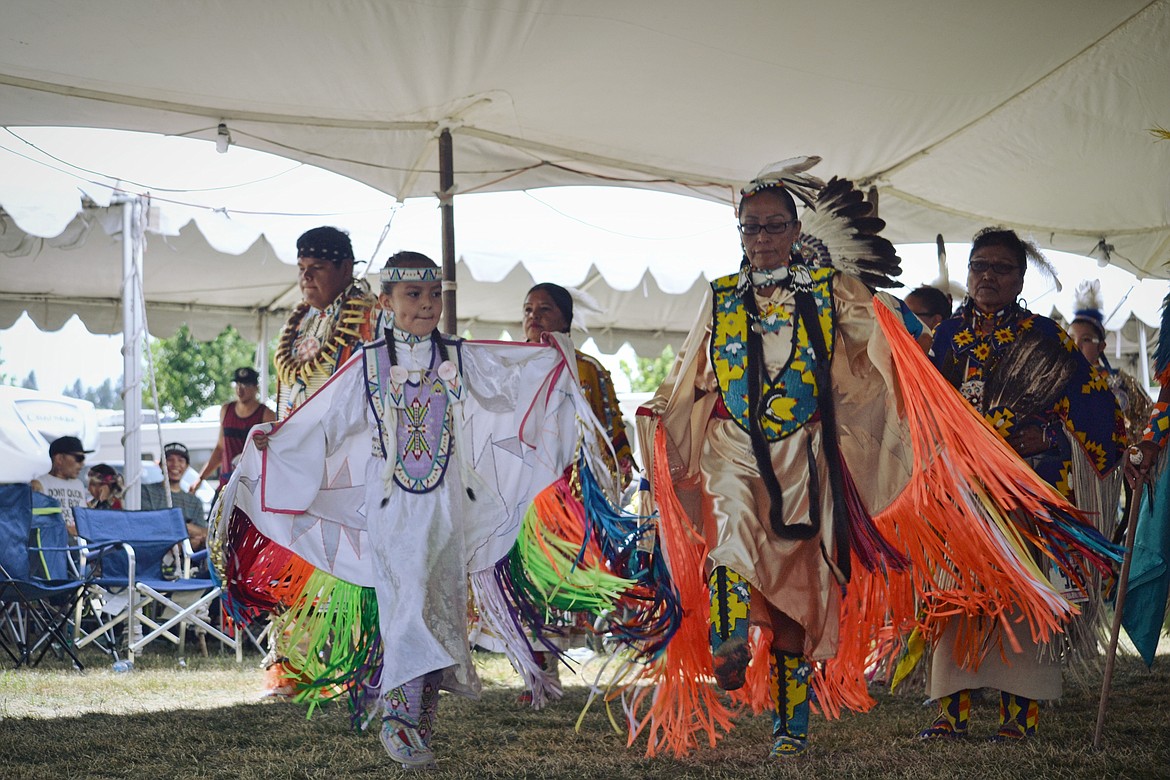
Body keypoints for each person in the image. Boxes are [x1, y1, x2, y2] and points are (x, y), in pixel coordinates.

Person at [636, 160, 1121, 759]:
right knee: (735, 538)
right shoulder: (728, 297)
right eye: (751, 227)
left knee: (808, 593)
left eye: (774, 226)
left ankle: (803, 727)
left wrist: (1109, 446)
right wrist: (660, 410)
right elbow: (691, 370)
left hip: (860, 466)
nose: (762, 238)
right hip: (762, 452)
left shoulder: (838, 294)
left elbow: (887, 353)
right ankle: (737, 636)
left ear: (794, 229)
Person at [214, 251, 612, 768]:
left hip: (448, 508)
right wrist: (279, 438)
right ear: (386, 301)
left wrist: (553, 357)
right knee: (406, 605)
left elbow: (510, 384)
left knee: (439, 607)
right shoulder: (370, 364)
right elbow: (327, 423)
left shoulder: (462, 357)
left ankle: (419, 719)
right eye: (413, 295)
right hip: (391, 509)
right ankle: (398, 718)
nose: (426, 305)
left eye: (433, 294)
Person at [921, 227, 1125, 742]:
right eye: (979, 265)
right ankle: (951, 713)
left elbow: (1101, 417)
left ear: (1020, 278)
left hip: (1027, 491)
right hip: (961, 490)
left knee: (1022, 596)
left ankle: (1020, 717)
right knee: (956, 597)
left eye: (1001, 267)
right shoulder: (946, 338)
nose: (987, 275)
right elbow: (919, 410)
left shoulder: (1046, 338)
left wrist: (1051, 433)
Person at [261, 225, 377, 696]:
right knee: (296, 563)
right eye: (302, 270)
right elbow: (291, 388)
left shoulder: (369, 313)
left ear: (346, 268)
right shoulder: (305, 321)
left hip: (352, 463)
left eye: (317, 269)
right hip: (301, 462)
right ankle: (294, 670)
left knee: (356, 566)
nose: (307, 279)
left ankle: (366, 669)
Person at [1068, 280, 1151, 447]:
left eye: (1086, 339)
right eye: (1070, 339)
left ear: (1101, 346)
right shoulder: (1058, 381)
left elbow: (1147, 418)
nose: (1076, 346)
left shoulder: (1122, 382)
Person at [193, 366, 276, 492]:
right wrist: (201, 478)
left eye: (245, 385)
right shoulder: (226, 410)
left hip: (252, 487)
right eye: (237, 384)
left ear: (256, 387)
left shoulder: (266, 415)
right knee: (215, 512)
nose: (240, 389)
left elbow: (273, 453)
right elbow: (220, 449)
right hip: (226, 483)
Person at [141, 442, 208, 551]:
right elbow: (147, 525)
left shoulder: (194, 501)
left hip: (187, 563)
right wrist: (187, 528)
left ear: (186, 467)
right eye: (170, 460)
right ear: (160, 465)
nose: (175, 464)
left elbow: (204, 534)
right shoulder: (146, 491)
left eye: (181, 460)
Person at [32, 435, 92, 537]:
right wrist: (65, 529)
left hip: (79, 542)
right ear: (59, 459)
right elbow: (37, 521)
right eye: (79, 458)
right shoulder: (39, 484)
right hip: (54, 543)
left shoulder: (79, 484)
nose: (82, 464)